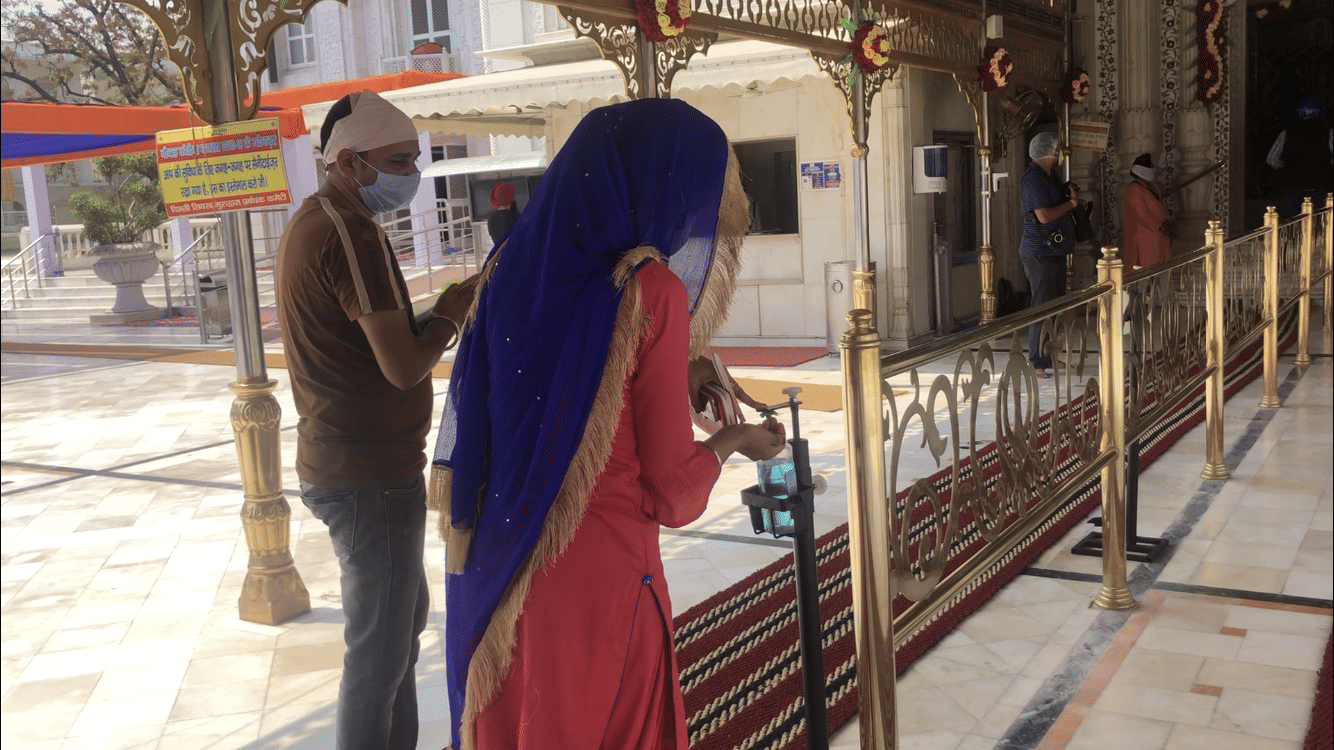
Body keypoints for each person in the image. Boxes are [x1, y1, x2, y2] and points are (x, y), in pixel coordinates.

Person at [430, 99, 786, 750]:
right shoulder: (649, 290)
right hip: (600, 585)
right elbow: (673, 493)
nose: (693, 216)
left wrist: (673, 375)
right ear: (655, 188)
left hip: (505, 565)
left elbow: (563, 391)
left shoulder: (510, 267)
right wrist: (735, 440)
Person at [275, 89, 478, 750]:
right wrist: (452, 310)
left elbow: (373, 347)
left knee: (398, 630)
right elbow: (402, 366)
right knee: (378, 654)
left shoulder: (322, 218)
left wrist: (441, 313)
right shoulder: (348, 231)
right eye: (398, 160)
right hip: (365, 473)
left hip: (362, 463)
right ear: (352, 160)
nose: (410, 174)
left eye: (413, 159)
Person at [1019, 131, 1079, 377]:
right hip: (1039, 252)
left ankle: (1049, 355)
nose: (1058, 153)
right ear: (1048, 152)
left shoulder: (1049, 176)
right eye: (1056, 149)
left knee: (1053, 307)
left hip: (1053, 251)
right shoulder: (1033, 179)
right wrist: (1071, 205)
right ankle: (1037, 362)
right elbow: (1043, 216)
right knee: (1041, 306)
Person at [1265, 95, 1333, 218]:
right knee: (1319, 224)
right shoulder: (1328, 132)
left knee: (1294, 225)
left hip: (1292, 188)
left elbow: (1272, 160)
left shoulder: (1287, 132)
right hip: (1319, 187)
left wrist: (1288, 168)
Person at [1122, 153, 1173, 269]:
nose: (1154, 169)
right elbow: (1142, 215)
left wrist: (1167, 223)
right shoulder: (1134, 189)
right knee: (1146, 280)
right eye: (1151, 166)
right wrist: (1161, 226)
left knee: (1161, 278)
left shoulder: (1149, 188)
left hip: (1158, 241)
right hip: (1144, 244)